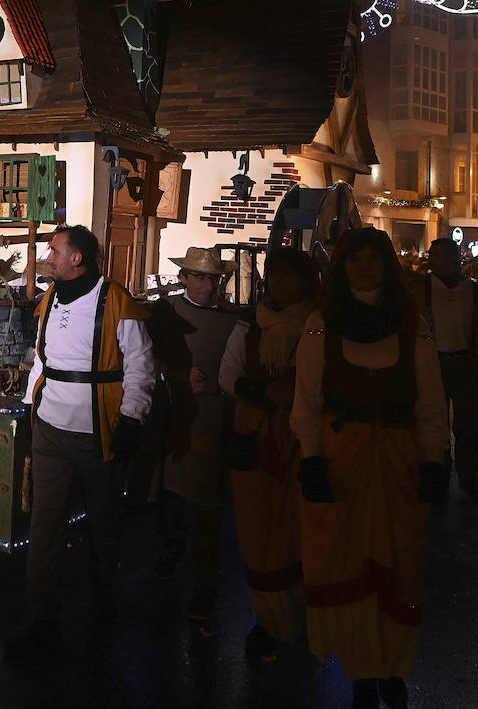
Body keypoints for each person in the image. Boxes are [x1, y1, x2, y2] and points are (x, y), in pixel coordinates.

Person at [291, 227, 448, 709]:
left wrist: (435, 461)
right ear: (343, 264)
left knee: (400, 565)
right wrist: (312, 459)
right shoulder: (322, 323)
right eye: (354, 258)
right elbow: (308, 401)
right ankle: (362, 669)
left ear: (386, 265)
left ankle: (393, 666)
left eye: (372, 259)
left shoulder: (410, 325)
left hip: (397, 459)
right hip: (343, 459)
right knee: (346, 561)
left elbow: (429, 404)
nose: (363, 267)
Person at [3, 225, 156, 664]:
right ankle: (42, 618)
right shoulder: (50, 299)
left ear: (78, 258)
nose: (47, 255)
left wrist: (131, 418)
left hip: (98, 430)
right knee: (45, 525)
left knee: (103, 524)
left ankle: (103, 604)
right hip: (51, 427)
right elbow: (42, 361)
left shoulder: (117, 302)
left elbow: (141, 366)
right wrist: (31, 407)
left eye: (55, 250)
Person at [217, 247, 318, 661]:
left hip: (302, 438)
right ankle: (269, 619)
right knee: (259, 530)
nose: (279, 283)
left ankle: (303, 618)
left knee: (300, 528)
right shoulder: (250, 325)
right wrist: (261, 393)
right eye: (274, 275)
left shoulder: (317, 326)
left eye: (288, 275)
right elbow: (229, 374)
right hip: (257, 436)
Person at [148, 246, 240, 621]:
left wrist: (217, 387)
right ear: (183, 278)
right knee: (170, 488)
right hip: (174, 412)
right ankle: (171, 546)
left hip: (215, 415)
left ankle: (205, 579)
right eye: (199, 276)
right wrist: (173, 376)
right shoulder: (166, 312)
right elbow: (146, 355)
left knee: (207, 498)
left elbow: (241, 366)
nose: (207, 284)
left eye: (213, 277)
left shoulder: (234, 320)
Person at [408, 238, 478, 503]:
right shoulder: (419, 287)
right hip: (430, 363)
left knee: (469, 423)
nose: (443, 261)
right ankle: (438, 474)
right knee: (433, 423)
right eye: (437, 255)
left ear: (457, 258)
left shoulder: (472, 288)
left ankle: (468, 476)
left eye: (448, 255)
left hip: (465, 363)